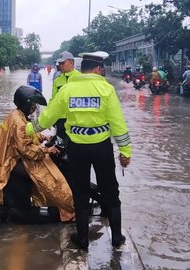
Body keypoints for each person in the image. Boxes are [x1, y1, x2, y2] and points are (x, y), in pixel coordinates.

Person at [26, 51, 131, 250]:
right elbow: (118, 124)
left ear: (81, 69)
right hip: (102, 148)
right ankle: (117, 237)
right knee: (110, 190)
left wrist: (29, 129)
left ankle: (82, 238)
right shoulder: (106, 89)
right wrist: (125, 152)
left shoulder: (68, 90)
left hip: (77, 149)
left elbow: (48, 117)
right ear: (99, 69)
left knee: (80, 193)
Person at [0, 85, 75, 223]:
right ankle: (63, 209)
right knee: (47, 176)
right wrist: (46, 150)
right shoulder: (19, 122)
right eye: (32, 105)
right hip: (6, 161)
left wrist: (43, 137)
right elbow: (27, 150)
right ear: (25, 104)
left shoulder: (17, 115)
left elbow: (27, 134)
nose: (33, 108)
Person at [51, 51, 82, 142]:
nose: (60, 65)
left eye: (63, 63)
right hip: (61, 119)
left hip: (76, 119)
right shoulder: (57, 81)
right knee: (60, 145)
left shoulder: (80, 78)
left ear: (72, 63)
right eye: (59, 63)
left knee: (74, 145)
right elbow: (53, 100)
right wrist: (51, 118)